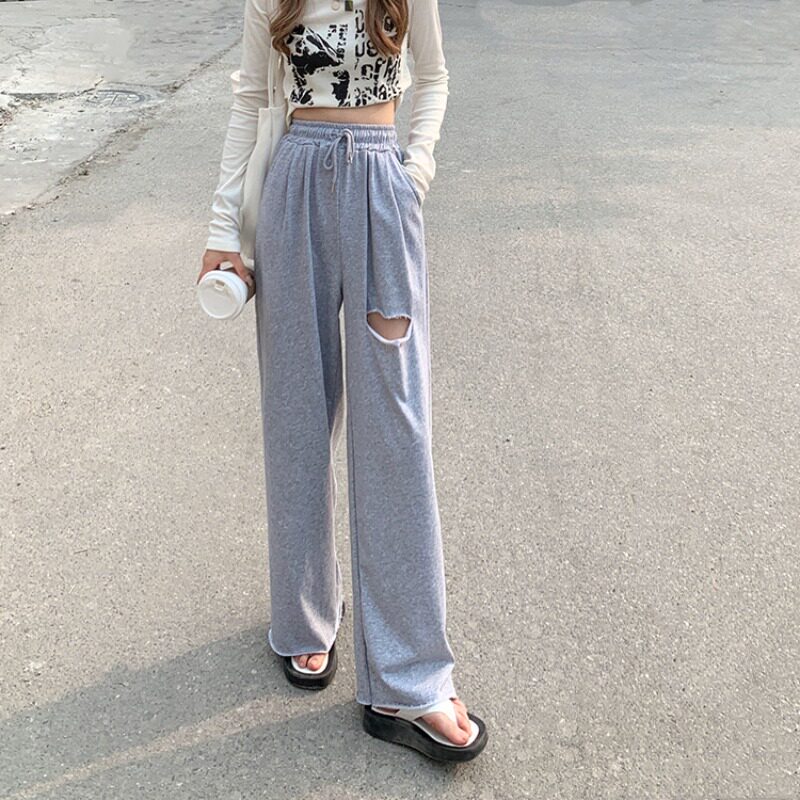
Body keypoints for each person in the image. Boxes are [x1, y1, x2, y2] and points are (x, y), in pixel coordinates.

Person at [198, 0, 487, 762]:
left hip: (383, 188)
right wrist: (223, 231)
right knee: (295, 412)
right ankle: (305, 614)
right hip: (293, 187)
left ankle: (410, 679)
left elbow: (434, 77)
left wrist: (413, 173)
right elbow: (250, 100)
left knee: (396, 427)